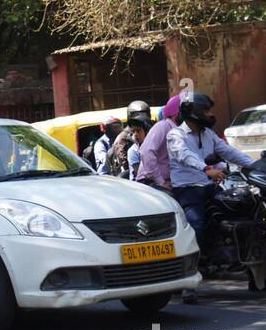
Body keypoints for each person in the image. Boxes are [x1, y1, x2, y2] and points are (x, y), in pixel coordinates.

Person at [166, 92, 255, 303]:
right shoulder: (175, 135)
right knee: (196, 226)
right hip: (187, 188)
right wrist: (206, 169)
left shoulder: (208, 134)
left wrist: (254, 165)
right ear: (195, 112)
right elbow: (184, 155)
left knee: (241, 211)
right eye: (207, 110)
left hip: (208, 185)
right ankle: (189, 282)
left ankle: (256, 274)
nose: (211, 114)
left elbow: (228, 151)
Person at [135, 93, 185, 189]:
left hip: (170, 181)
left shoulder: (183, 131)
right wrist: (161, 181)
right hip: (150, 182)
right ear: (177, 113)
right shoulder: (163, 126)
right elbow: (146, 152)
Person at [106, 99, 150, 175]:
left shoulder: (149, 131)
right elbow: (124, 165)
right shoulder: (123, 138)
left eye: (144, 115)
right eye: (138, 116)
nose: (142, 119)